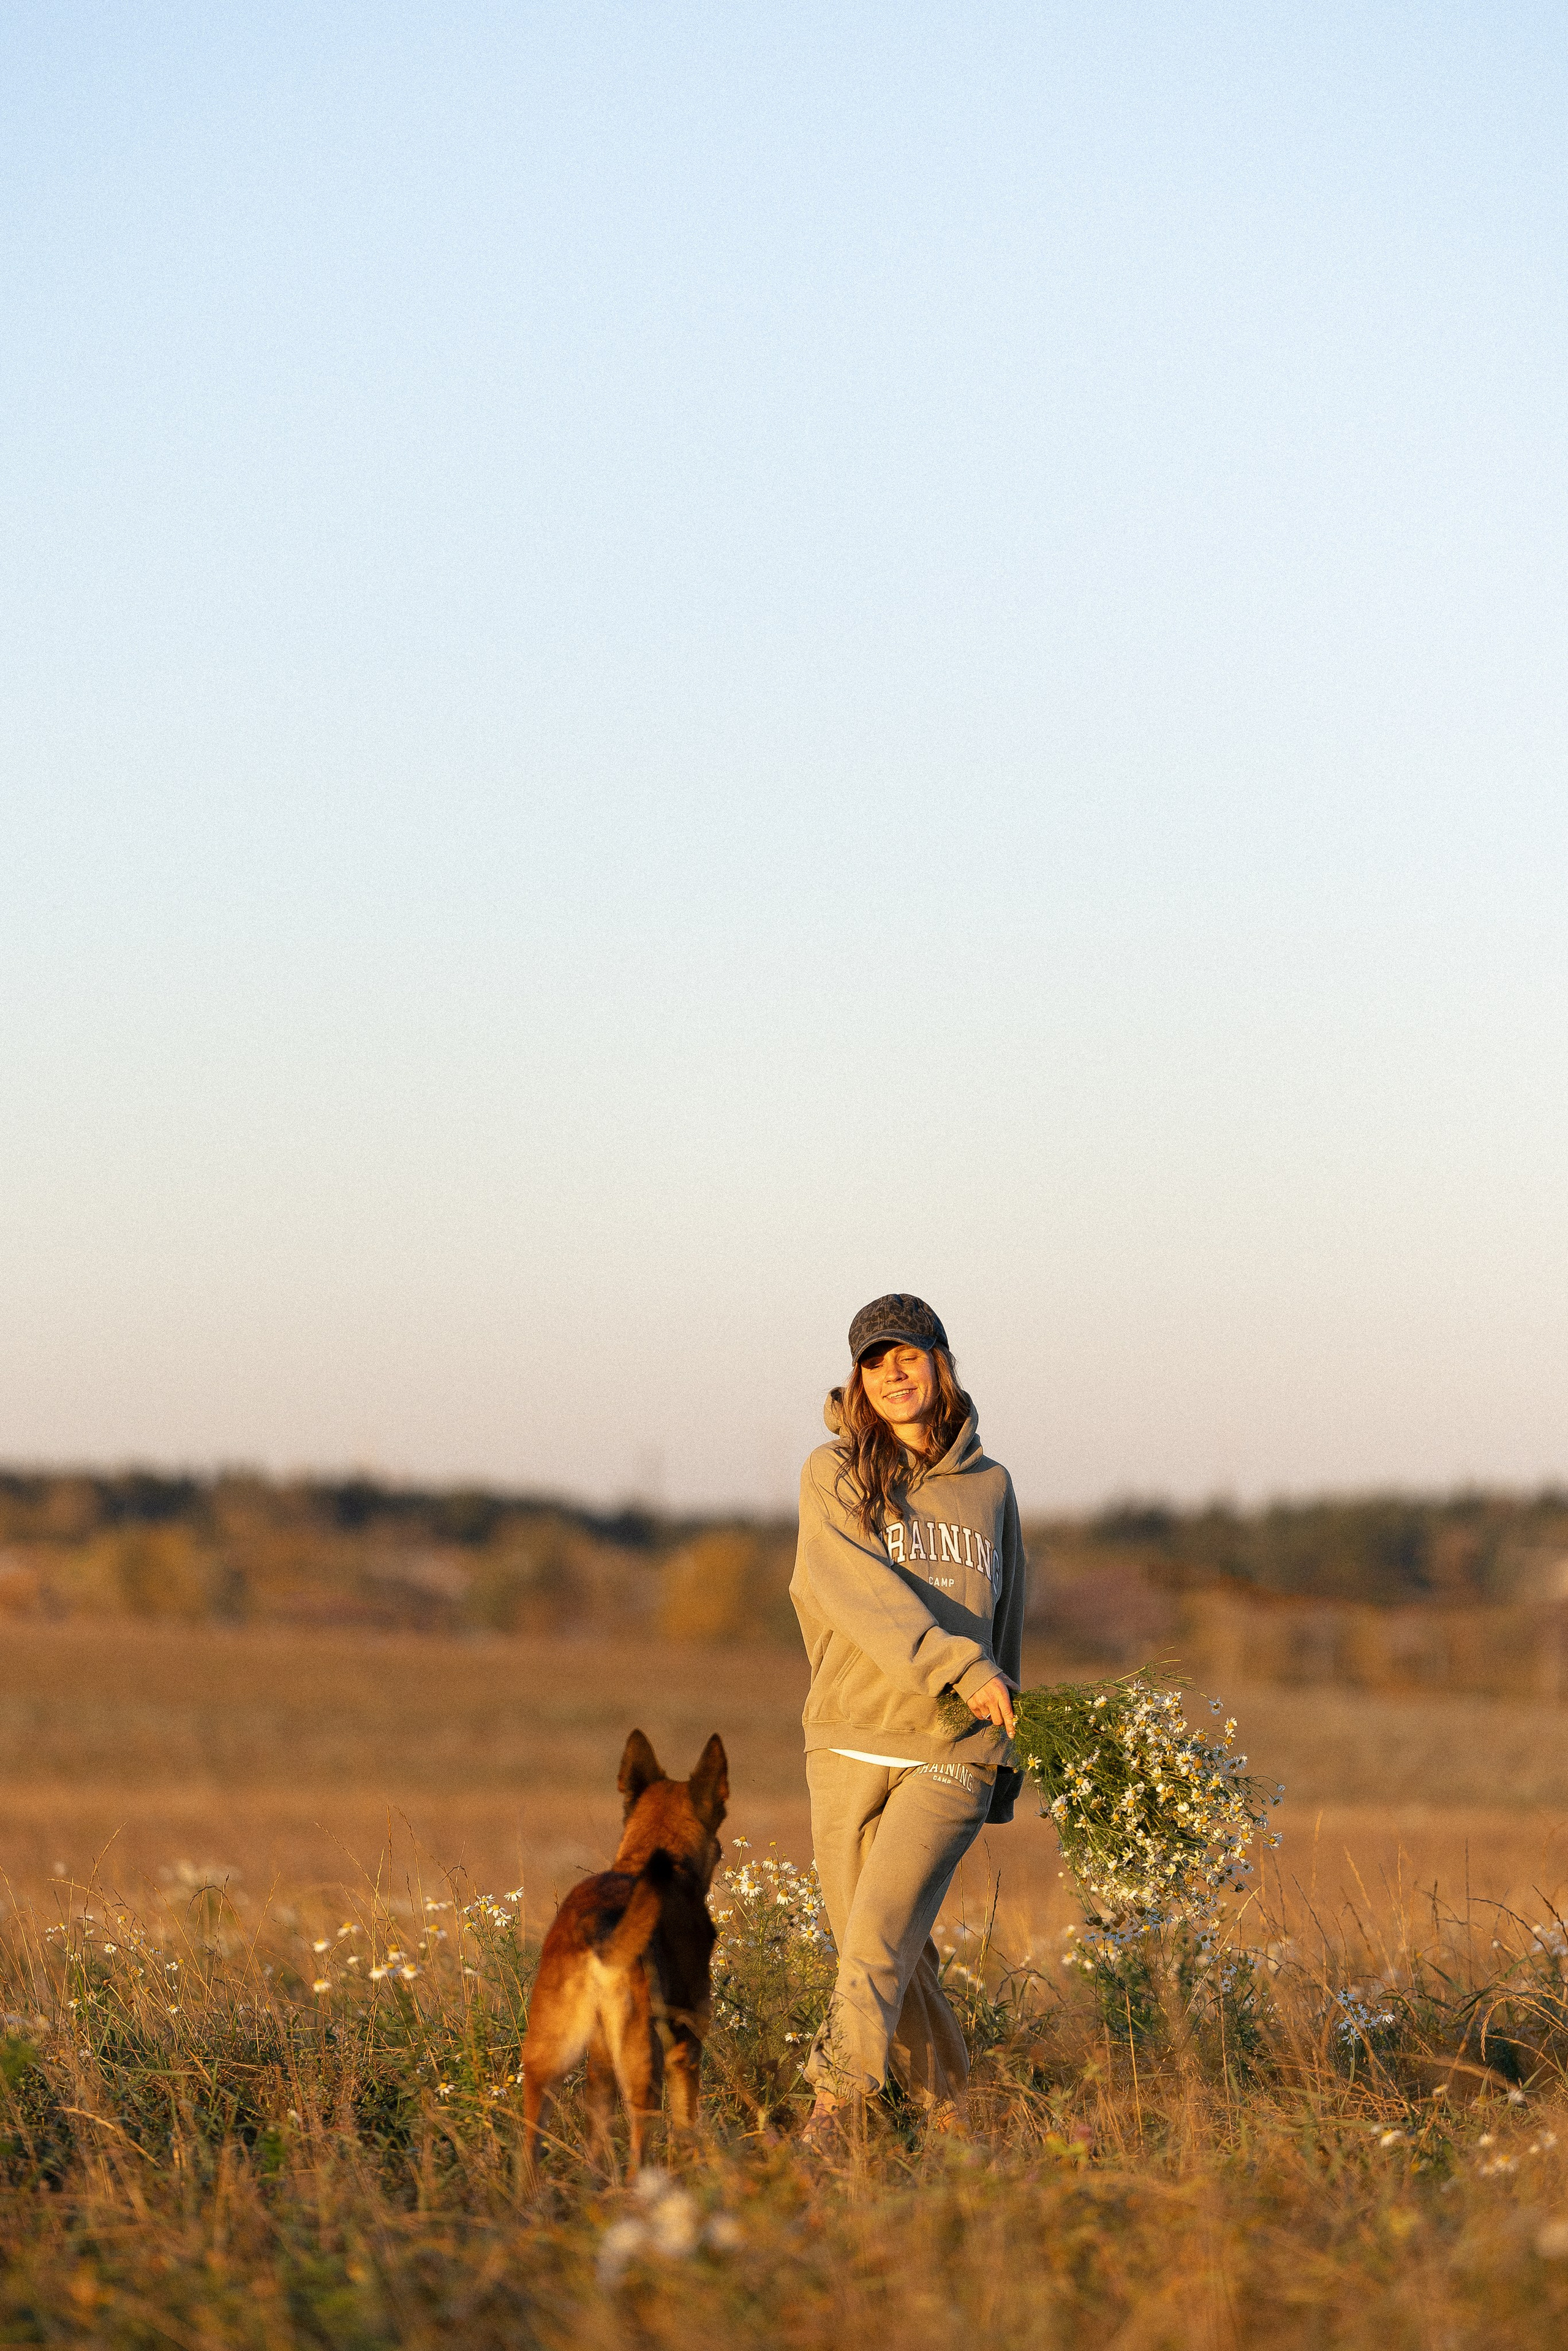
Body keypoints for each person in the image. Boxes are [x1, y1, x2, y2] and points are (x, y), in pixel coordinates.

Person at [789, 1292, 1027, 2148]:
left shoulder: (991, 1486)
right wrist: (957, 1662)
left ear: (941, 1361)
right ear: (857, 1378)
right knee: (886, 1952)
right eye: (874, 1359)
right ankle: (961, 2121)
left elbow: (1006, 1623)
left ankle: (830, 2117)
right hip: (848, 1736)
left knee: (879, 1941)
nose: (893, 1371)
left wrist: (1002, 1753)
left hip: (953, 1751)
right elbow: (857, 1594)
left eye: (908, 1353)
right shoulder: (834, 1473)